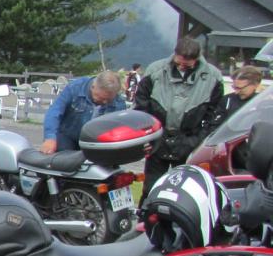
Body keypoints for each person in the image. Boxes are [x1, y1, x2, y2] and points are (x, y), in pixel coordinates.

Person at [134, 37, 226, 190]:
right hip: (158, 140)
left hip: (189, 142)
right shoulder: (155, 71)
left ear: (196, 59)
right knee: (151, 188)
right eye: (178, 63)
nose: (182, 67)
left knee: (184, 190)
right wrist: (147, 137)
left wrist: (197, 141)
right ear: (174, 54)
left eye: (187, 65)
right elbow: (141, 107)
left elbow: (214, 116)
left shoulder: (213, 77)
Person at [40, 70, 126, 154]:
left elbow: (119, 131)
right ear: (93, 86)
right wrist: (50, 138)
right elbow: (55, 111)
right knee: (63, 158)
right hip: (67, 136)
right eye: (101, 98)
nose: (105, 102)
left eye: (109, 100)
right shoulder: (75, 87)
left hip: (96, 142)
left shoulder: (119, 103)